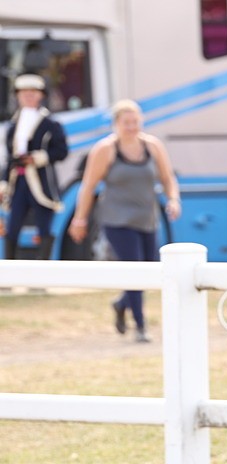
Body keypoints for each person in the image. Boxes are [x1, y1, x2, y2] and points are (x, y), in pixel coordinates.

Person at [69, 99, 181, 343]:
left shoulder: (152, 146)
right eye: (126, 122)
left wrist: (173, 200)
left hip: (146, 218)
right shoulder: (105, 149)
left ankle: (121, 304)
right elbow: (88, 186)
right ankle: (140, 326)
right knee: (135, 267)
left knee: (149, 271)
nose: (131, 126)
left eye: (135, 121)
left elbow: (167, 178)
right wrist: (80, 218)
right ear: (116, 124)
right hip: (116, 219)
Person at [2, 73, 69, 261]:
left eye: (33, 92)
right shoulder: (13, 125)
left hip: (40, 180)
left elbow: (61, 151)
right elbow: (10, 157)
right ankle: (9, 273)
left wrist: (38, 158)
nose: (28, 96)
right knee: (13, 226)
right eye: (24, 92)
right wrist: (5, 182)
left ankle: (42, 274)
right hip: (19, 180)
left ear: (41, 95)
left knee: (43, 227)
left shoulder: (50, 124)